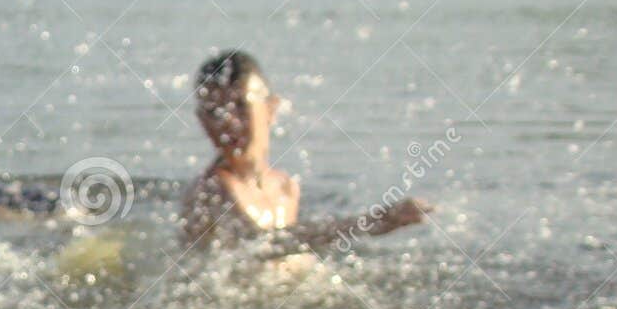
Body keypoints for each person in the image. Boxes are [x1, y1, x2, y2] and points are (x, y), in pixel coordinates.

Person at [180, 50, 432, 252]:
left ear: (271, 109)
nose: (229, 122)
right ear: (202, 120)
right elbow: (265, 244)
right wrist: (374, 222)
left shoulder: (286, 188)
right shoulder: (210, 191)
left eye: (241, 107)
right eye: (215, 112)